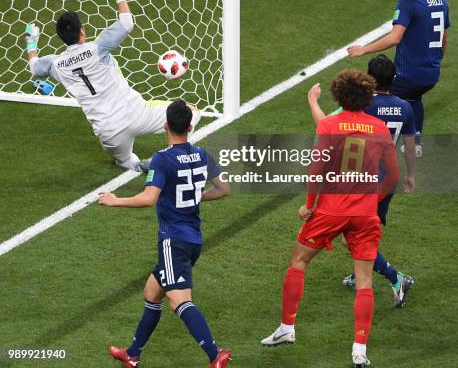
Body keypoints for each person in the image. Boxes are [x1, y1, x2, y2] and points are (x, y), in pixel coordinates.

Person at [261, 70, 400, 368]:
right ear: (367, 96)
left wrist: (309, 205)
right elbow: (394, 177)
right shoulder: (379, 128)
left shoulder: (329, 124)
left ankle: (287, 328)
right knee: (364, 281)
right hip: (365, 214)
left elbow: (316, 171)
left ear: (338, 95)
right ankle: (359, 350)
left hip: (330, 210)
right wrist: (371, 202)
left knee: (298, 261)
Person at [99, 99, 231, 368]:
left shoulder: (162, 159)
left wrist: (115, 200)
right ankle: (133, 354)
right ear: (190, 127)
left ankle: (215, 355)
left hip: (174, 241)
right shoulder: (203, 154)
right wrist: (195, 196)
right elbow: (223, 189)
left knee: (180, 302)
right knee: (152, 292)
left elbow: (149, 198)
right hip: (193, 238)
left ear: (165, 126)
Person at [24, 0, 200, 172]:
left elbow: (34, 67)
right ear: (82, 31)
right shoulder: (97, 48)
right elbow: (127, 23)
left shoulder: (55, 64)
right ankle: (172, 156)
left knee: (125, 160)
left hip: (109, 134)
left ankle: (131, 163)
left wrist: (31, 42)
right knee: (191, 112)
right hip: (136, 114)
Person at [307, 55, 415, 307]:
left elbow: (326, 124)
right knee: (365, 232)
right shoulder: (405, 107)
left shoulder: (363, 105)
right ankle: (361, 272)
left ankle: (396, 278)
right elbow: (410, 146)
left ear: (370, 80)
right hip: (386, 180)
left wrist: (312, 100)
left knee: (351, 236)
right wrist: (410, 175)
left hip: (361, 180)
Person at [348, 0, 451, 156]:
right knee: (414, 98)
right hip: (431, 74)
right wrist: (435, 63)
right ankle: (416, 144)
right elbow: (444, 39)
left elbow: (395, 38)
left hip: (408, 75)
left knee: (376, 97)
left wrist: (364, 49)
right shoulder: (441, 0)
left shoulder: (408, 2)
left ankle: (372, 145)